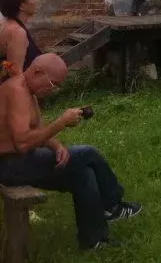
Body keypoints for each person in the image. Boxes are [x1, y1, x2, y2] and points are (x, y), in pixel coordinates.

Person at [0, 53, 141, 250]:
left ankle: (94, 240)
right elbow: (22, 143)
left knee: (83, 174)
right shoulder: (16, 91)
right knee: (88, 153)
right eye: (53, 83)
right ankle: (112, 205)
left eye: (58, 86)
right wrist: (61, 123)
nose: (53, 90)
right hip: (9, 165)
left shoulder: (28, 91)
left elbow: (38, 132)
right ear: (37, 71)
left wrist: (58, 146)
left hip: (22, 161)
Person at [0, 0, 43, 75]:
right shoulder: (17, 32)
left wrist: (5, 63)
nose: (36, 0)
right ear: (22, 6)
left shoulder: (6, 23)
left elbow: (8, 64)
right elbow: (15, 73)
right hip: (19, 87)